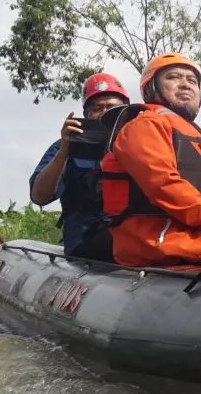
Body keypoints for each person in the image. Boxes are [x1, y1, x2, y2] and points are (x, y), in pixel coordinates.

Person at [100, 53, 201, 268]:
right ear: (151, 88)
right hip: (159, 242)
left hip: (198, 236)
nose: (185, 85)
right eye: (173, 78)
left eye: (192, 81)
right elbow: (163, 185)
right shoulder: (144, 126)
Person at [30, 72, 130, 258]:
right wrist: (64, 152)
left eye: (112, 107)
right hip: (85, 245)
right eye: (98, 108)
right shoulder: (64, 147)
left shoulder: (140, 145)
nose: (105, 112)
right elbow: (39, 197)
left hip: (134, 240)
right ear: (86, 114)